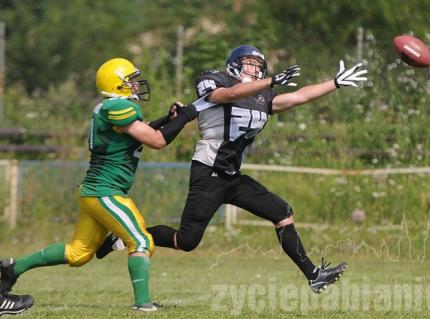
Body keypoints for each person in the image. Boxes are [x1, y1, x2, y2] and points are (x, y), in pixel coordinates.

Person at [97, 45, 368, 293]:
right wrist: (272, 80)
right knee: (186, 241)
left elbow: (297, 97)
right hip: (209, 172)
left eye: (257, 65)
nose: (253, 68)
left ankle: (314, 275)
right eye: (248, 63)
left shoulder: (262, 95)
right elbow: (229, 94)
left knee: (281, 212)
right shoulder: (214, 79)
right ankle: (123, 237)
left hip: (232, 176)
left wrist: (334, 83)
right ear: (234, 65)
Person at [0, 57, 199, 312]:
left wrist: (169, 118)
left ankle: (12, 267)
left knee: (78, 253)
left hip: (94, 191)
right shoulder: (116, 107)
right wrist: (184, 118)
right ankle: (143, 304)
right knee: (140, 241)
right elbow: (157, 141)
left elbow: (143, 131)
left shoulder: (111, 108)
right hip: (106, 192)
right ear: (117, 85)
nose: (136, 86)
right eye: (131, 81)